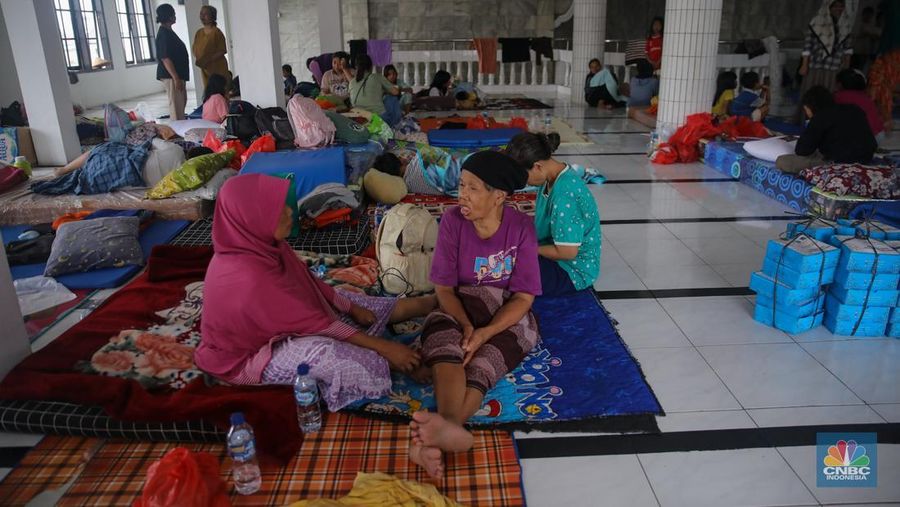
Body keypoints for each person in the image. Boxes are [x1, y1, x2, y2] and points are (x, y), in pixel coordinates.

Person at [195, 174, 436, 410]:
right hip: (252, 356)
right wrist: (384, 348)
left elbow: (308, 282)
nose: (291, 213)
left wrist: (351, 308)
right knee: (330, 356)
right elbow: (315, 324)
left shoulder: (264, 245)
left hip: (286, 322)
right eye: (278, 210)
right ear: (252, 217)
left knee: (355, 304)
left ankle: (432, 303)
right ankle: (397, 363)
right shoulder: (248, 277)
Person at [408, 151, 541, 479]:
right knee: (445, 336)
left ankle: (442, 431)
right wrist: (468, 326)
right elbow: (444, 291)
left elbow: (524, 297)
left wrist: (485, 333)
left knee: (492, 354)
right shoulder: (452, 221)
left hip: (505, 308)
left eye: (473, 188)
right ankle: (449, 431)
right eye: (461, 186)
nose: (461, 195)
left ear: (499, 196)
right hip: (462, 303)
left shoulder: (521, 228)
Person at [506, 132, 601, 297]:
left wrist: (529, 249)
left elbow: (567, 252)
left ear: (537, 166)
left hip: (571, 269)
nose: (524, 183)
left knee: (502, 273)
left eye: (524, 176)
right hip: (552, 253)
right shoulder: (552, 176)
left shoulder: (565, 194)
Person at [775, 86, 877, 173]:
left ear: (810, 107)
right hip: (867, 157)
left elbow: (802, 151)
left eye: (806, 110)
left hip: (840, 163)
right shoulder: (854, 109)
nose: (807, 114)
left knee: (783, 161)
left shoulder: (819, 117)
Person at [799, 1, 854, 101]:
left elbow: (848, 49)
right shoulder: (817, 21)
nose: (839, 9)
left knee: (829, 93)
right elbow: (807, 44)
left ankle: (826, 115)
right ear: (828, 7)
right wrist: (804, 64)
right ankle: (809, 116)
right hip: (816, 65)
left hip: (834, 66)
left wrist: (846, 67)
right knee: (812, 93)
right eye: (835, 6)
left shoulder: (845, 24)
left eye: (841, 6)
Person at [867, 1, 900, 132]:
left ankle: (882, 118)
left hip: (890, 50)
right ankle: (882, 118)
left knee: (882, 84)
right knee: (882, 84)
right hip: (889, 49)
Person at [155, 4, 189, 121]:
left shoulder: (169, 32)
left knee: (181, 103)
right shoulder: (164, 34)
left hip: (178, 75)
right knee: (176, 106)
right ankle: (177, 133)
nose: (175, 16)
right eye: (173, 13)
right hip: (171, 76)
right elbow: (165, 58)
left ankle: (180, 129)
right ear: (168, 16)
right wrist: (175, 78)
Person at [347, 54, 402, 126]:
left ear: (356, 67)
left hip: (359, 119)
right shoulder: (377, 77)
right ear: (371, 66)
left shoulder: (352, 82)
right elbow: (396, 92)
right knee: (391, 98)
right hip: (378, 119)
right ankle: (394, 126)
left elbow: (351, 100)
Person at [833, 68, 884, 142]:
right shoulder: (866, 97)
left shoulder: (839, 97)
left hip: (861, 139)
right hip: (878, 136)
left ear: (839, 84)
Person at [191, 5, 230, 92]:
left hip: (218, 68)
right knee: (209, 92)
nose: (202, 16)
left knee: (220, 91)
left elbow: (222, 50)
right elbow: (195, 48)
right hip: (205, 68)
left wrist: (208, 59)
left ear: (212, 16)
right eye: (201, 14)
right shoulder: (199, 32)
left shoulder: (217, 32)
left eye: (205, 14)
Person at [852, 7, 881, 71]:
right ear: (863, 14)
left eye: (870, 15)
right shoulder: (859, 24)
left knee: (860, 70)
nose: (868, 17)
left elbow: (875, 35)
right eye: (867, 14)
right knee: (855, 69)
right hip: (857, 52)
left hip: (864, 53)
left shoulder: (870, 26)